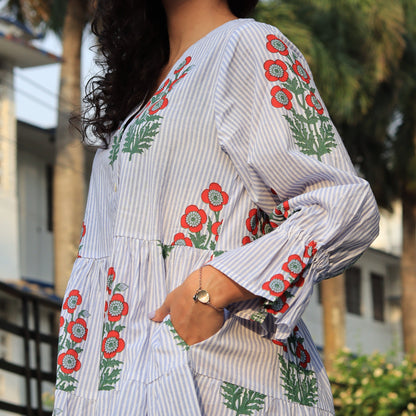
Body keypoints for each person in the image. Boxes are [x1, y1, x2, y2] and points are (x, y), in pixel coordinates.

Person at [53, 0, 380, 414]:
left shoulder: (247, 45)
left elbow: (343, 204)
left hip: (215, 380)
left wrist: (211, 289)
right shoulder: (141, 91)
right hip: (117, 388)